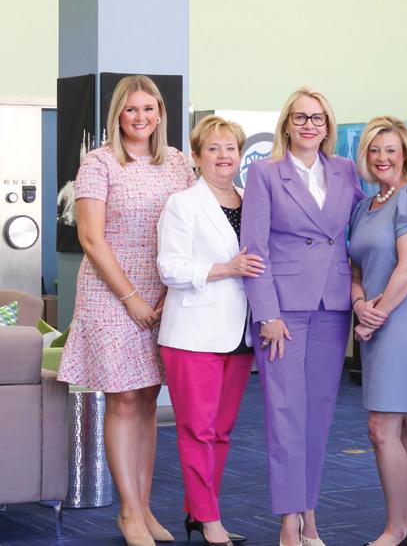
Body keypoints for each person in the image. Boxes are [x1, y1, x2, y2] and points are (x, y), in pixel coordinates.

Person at [57, 75, 195, 546]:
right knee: (124, 398)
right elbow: (90, 238)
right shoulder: (98, 163)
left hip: (163, 290)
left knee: (149, 398)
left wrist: (170, 291)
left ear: (161, 113)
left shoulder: (177, 162)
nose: (141, 117)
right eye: (131, 109)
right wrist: (130, 297)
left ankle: (145, 505)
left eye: (148, 109)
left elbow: (192, 225)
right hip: (111, 291)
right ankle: (129, 512)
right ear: (117, 114)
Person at [240, 87, 363, 546]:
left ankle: (310, 515)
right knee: (286, 415)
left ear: (328, 126)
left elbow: (364, 224)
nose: (309, 125)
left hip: (333, 307)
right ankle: (288, 522)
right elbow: (254, 250)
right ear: (286, 125)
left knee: (318, 416)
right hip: (283, 313)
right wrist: (266, 314)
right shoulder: (265, 173)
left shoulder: (345, 170)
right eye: (300, 117)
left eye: (317, 118)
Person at [157, 115, 265, 546]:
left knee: (221, 432)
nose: (224, 156)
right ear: (197, 157)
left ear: (241, 155)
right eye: (213, 149)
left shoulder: (252, 201)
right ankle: (209, 517)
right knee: (197, 431)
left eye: (231, 148)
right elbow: (170, 268)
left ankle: (198, 511)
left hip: (240, 335)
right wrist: (226, 268)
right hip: (194, 335)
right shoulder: (182, 204)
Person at [348, 116, 407, 546]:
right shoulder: (363, 207)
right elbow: (355, 269)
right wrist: (359, 305)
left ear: (405, 154)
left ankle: (396, 529)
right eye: (374, 150)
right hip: (375, 319)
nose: (382, 157)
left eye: (390, 150)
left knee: (382, 428)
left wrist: (376, 315)